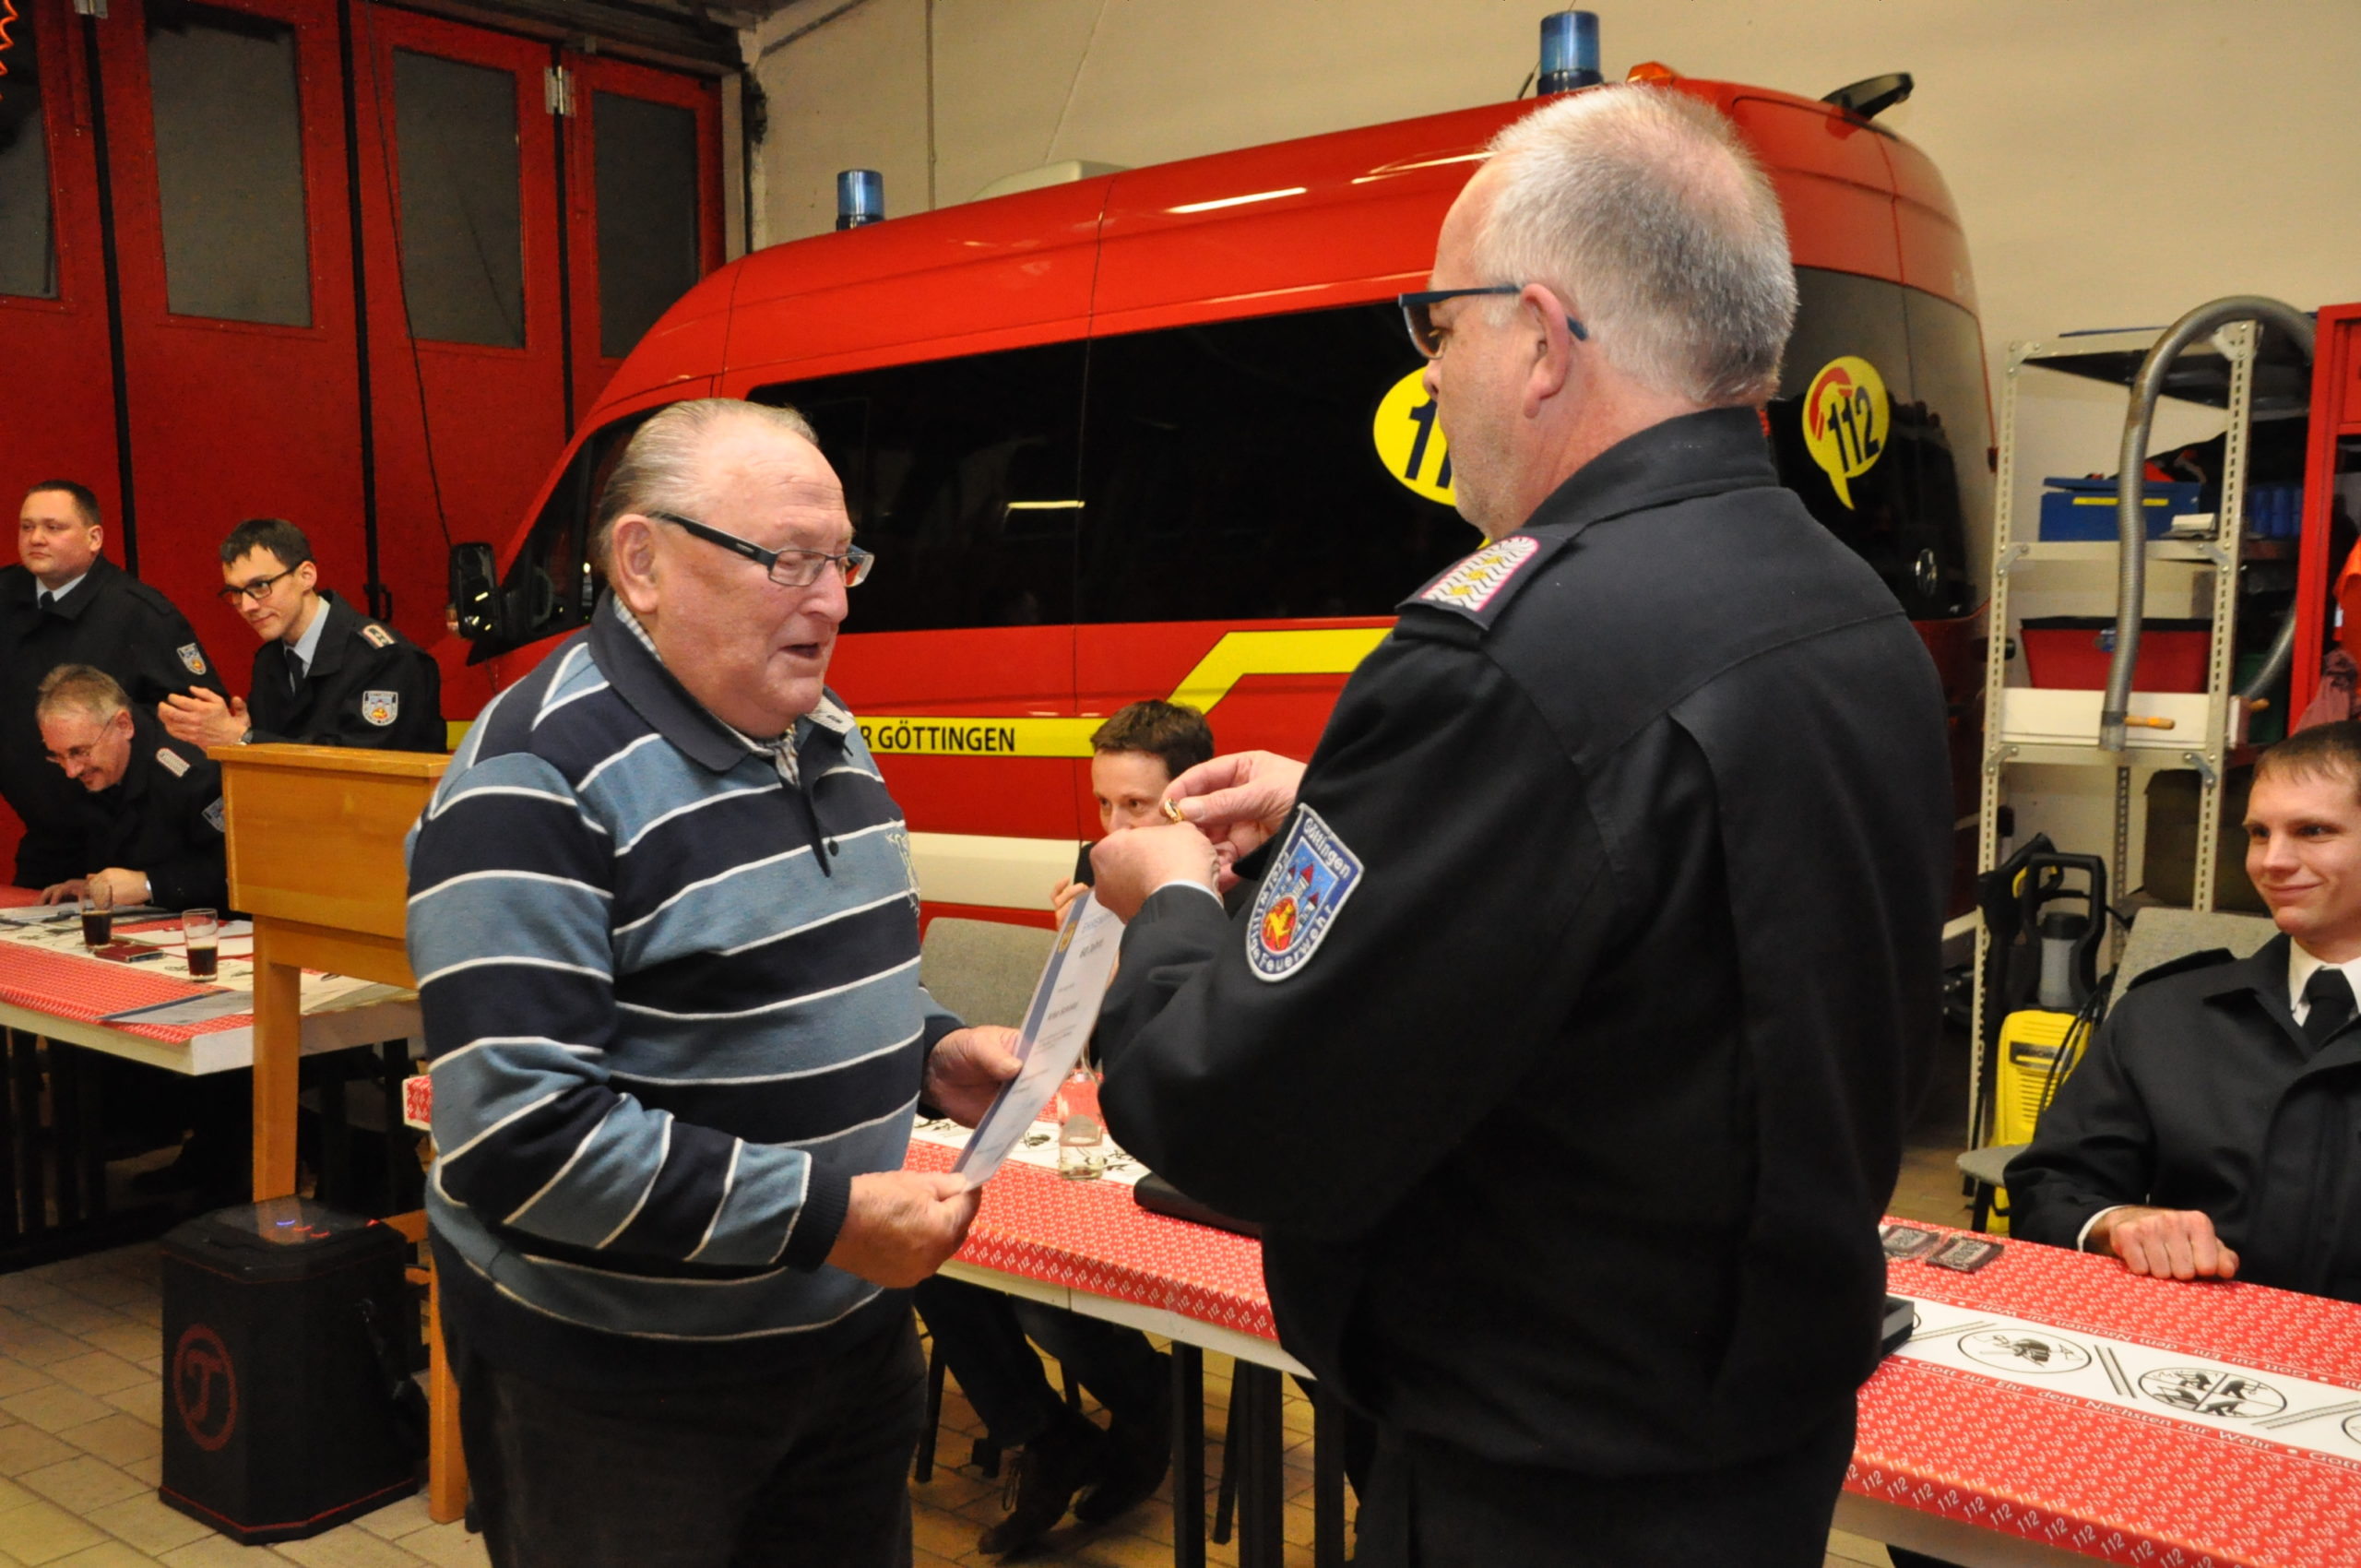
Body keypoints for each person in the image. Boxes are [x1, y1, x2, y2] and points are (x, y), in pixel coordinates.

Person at [1085, 86, 1952, 1568]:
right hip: (1759, 1436)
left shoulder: (1508, 660)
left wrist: (1170, 901)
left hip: (1544, 1487)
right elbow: (1677, 914)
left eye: (1439, 329)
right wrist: (1368, 822)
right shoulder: (1841, 602)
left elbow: (1239, 1118)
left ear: (1543, 339)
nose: (1429, 381)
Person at [406, 398, 1020, 1568]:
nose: (833, 598)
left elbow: (789, 979)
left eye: (842, 558)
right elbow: (519, 1136)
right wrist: (830, 1216)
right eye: (788, 559)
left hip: (842, 1350)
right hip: (626, 1397)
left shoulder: (821, 729)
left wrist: (927, 1050)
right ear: (641, 562)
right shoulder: (536, 778)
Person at [916, 701, 1204, 1556]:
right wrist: (1074, 956)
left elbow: (1198, 1058)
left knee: (1051, 1307)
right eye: (1103, 805)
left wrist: (1123, 962)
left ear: (1185, 804)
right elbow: (1074, 1049)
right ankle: (1044, 1432)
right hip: (1095, 1116)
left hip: (1183, 1141)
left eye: (1138, 808)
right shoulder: (1103, 865)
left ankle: (1149, 1405)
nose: (1113, 828)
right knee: (940, 1242)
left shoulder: (1228, 882)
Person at [2008, 719, 2361, 1302]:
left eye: (2312, 831)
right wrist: (2116, 1224)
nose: (2271, 862)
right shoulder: (2165, 1018)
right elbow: (2049, 1187)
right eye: (2257, 833)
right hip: (2191, 1362)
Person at [2, 481, 226, 887]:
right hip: (46, 840)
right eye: (26, 527)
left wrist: (150, 874)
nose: (36, 538)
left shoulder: (141, 615)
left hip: (129, 841)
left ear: (94, 538)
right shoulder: (3, 597)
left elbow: (200, 732)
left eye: (54, 527)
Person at [160, 517, 444, 753]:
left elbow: (358, 767)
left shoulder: (385, 659)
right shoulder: (271, 659)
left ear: (306, 576)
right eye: (235, 593)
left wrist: (245, 739)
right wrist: (244, 735)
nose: (247, 606)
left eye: (260, 586)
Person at [31, 665, 227, 912]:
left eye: (79, 752)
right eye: (58, 756)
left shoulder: (189, 772)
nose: (71, 770)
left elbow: (237, 869)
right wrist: (93, 886)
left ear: (124, 725)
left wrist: (149, 885)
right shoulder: (91, 768)